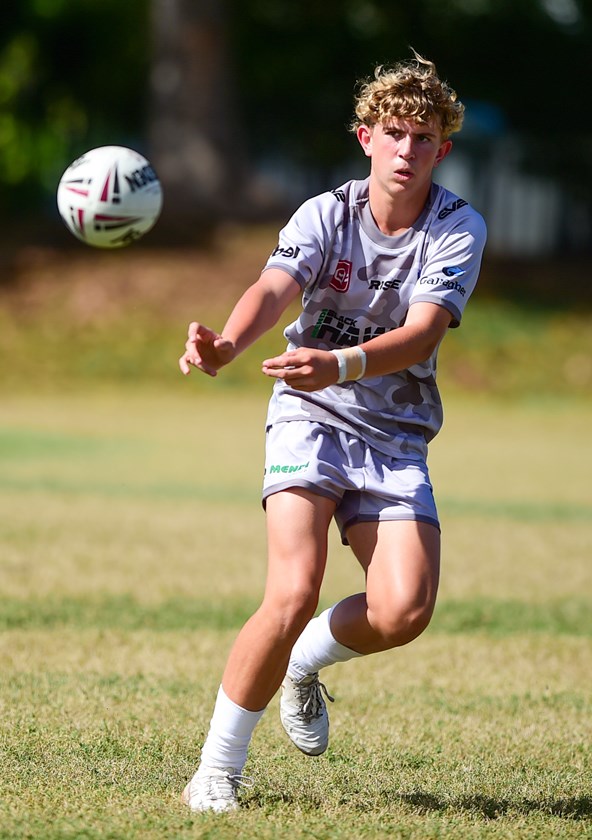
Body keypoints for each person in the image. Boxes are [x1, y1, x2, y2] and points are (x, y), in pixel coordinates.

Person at [178, 49, 486, 813]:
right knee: (290, 590)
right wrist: (227, 343)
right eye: (394, 132)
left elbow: (420, 336)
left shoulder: (456, 227)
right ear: (365, 138)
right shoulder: (325, 213)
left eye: (424, 138)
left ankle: (303, 665)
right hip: (309, 417)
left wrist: (341, 363)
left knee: (404, 610)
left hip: (394, 431)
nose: (407, 150)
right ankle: (217, 768)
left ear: (442, 149)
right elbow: (273, 286)